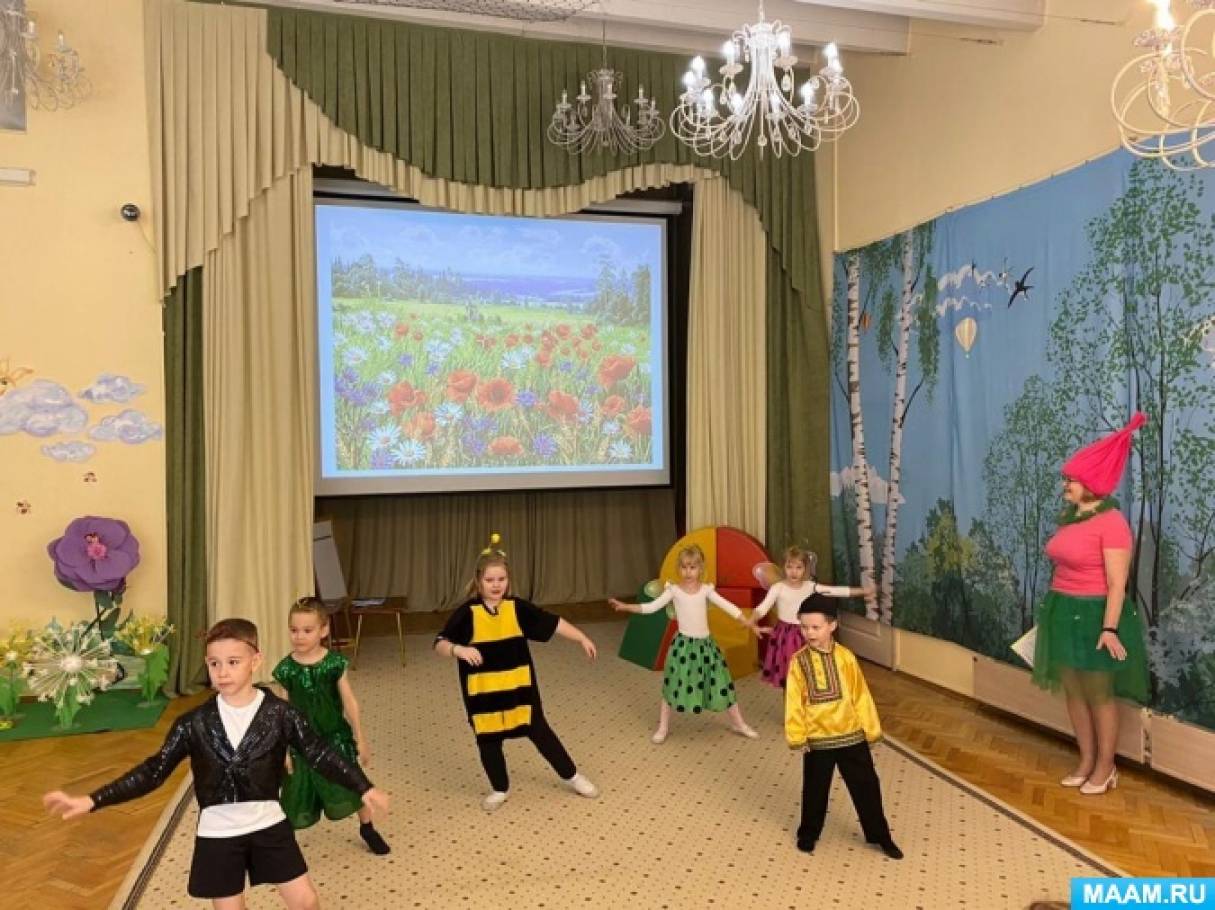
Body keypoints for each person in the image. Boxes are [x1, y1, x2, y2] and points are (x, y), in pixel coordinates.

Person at [42, 618, 390, 909]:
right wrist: (93, 800)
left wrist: (363, 786)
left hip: (268, 822)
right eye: (214, 663)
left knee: (306, 901)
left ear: (255, 661)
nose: (222, 672)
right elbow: (154, 770)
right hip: (218, 831)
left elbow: (320, 753)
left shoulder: (281, 714)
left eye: (233, 662)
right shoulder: (193, 723)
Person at [433, 533, 600, 812]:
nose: (496, 585)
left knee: (540, 732)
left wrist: (581, 637)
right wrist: (457, 650)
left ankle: (573, 776)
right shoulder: (467, 613)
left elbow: (553, 623)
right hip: (483, 695)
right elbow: (440, 643)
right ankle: (500, 788)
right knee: (488, 742)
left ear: (508, 580)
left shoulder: (517, 608)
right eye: (490, 580)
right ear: (478, 581)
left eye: (501, 579)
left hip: (520, 690)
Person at [1032, 412, 1149, 795]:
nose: (1065, 485)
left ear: (1092, 483)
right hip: (1063, 611)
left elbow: (1117, 584)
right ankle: (1085, 760)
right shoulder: (1071, 517)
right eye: (1066, 478)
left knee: (1099, 694)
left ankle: (1105, 767)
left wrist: (1109, 628)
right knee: (1074, 691)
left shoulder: (1112, 523)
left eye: (1071, 479)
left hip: (1096, 614)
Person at [610, 543, 766, 744]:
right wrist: (626, 606)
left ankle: (739, 723)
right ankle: (663, 727)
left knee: (722, 683)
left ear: (700, 568)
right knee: (672, 685)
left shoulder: (706, 590)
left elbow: (729, 607)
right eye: (684, 567)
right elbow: (651, 607)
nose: (688, 572)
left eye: (692, 567)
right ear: (679, 568)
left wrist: (750, 623)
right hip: (683, 648)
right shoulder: (673, 591)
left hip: (706, 647)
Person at [785, 595, 901, 859]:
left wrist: (870, 729)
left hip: (851, 735)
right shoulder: (798, 662)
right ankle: (808, 833)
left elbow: (861, 695)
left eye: (816, 627)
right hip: (817, 738)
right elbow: (793, 701)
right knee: (815, 789)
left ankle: (880, 835)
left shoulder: (846, 658)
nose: (809, 633)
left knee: (866, 786)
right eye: (804, 627)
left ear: (832, 626)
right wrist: (798, 735)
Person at [273, 598, 389, 854]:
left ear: (323, 630)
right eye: (294, 630)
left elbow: (349, 701)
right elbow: (282, 713)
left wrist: (360, 737)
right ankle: (283, 843)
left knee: (354, 783)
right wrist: (283, 749)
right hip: (301, 743)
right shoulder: (286, 669)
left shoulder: (334, 663)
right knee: (294, 793)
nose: (299, 636)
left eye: (307, 630)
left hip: (334, 737)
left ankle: (367, 828)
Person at [754, 546, 872, 688]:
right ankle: (790, 701)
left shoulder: (810, 587)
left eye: (799, 567)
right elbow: (762, 608)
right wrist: (751, 619)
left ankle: (810, 699)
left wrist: (862, 591)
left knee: (811, 674)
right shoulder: (778, 587)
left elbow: (835, 591)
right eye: (789, 567)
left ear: (805, 569)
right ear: (783, 567)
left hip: (807, 632)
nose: (794, 572)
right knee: (789, 676)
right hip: (785, 637)